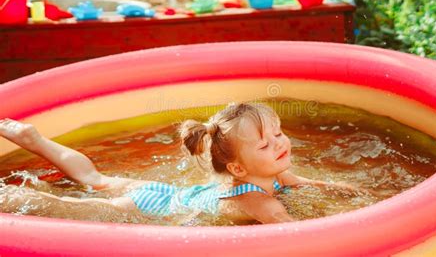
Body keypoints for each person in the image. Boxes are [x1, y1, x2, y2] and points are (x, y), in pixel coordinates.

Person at [0, 102, 363, 224]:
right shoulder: (258, 200)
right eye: (266, 143)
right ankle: (11, 198)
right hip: (150, 207)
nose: (281, 144)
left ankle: (37, 141)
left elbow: (307, 185)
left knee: (96, 179)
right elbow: (292, 232)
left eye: (279, 134)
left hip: (169, 193)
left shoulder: (276, 170)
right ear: (237, 169)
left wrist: (347, 191)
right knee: (76, 208)